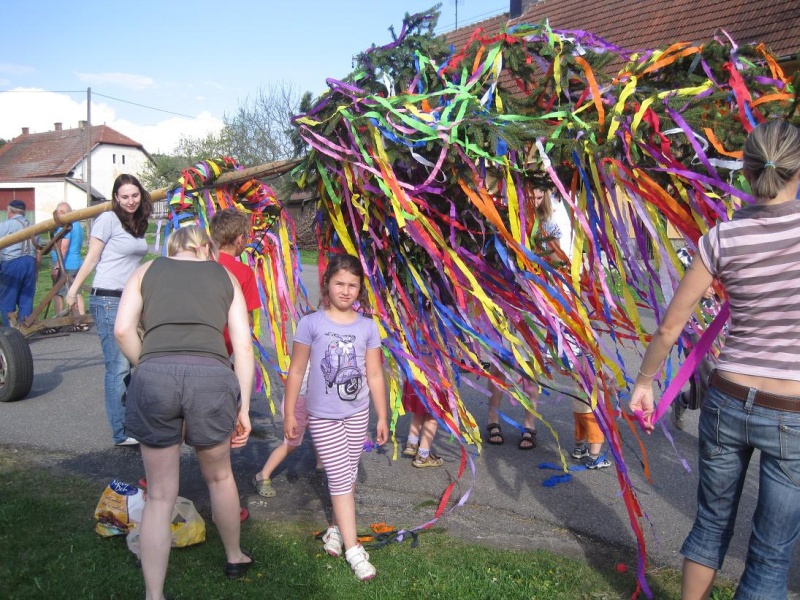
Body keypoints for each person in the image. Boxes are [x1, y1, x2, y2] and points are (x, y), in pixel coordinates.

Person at [629, 119, 800, 600]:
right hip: (791, 411)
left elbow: (669, 326)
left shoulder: (722, 238)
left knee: (710, 525)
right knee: (770, 553)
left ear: (746, 170)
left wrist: (644, 383)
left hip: (727, 399)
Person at [114, 225, 254, 596]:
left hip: (154, 377)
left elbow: (123, 330)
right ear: (205, 247)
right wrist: (243, 406)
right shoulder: (224, 275)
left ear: (172, 248)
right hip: (211, 377)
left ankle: (154, 594)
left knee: (160, 495)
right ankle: (235, 556)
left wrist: (147, 363)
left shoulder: (146, 270)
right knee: (220, 477)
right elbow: (243, 346)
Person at [283, 253, 389, 581]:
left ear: (360, 289)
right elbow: (297, 370)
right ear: (327, 283)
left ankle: (336, 528)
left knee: (348, 472)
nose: (345, 290)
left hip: (357, 414)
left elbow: (374, 374)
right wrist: (289, 412)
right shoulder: (311, 324)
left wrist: (382, 416)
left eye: (352, 285)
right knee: (341, 476)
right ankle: (354, 550)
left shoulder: (367, 327)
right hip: (322, 416)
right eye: (339, 283)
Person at [65, 174, 151, 446]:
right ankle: (121, 431)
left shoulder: (138, 222)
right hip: (108, 299)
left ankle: (132, 422)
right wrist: (73, 290)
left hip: (131, 299)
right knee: (119, 365)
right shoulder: (107, 219)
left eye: (134, 195)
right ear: (115, 197)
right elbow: (92, 257)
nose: (130, 201)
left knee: (138, 360)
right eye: (124, 197)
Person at [252, 366, 324, 496]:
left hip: (316, 401)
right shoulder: (308, 358)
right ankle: (262, 475)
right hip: (299, 403)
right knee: (291, 443)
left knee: (319, 432)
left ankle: (321, 465)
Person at [209, 209, 261, 353]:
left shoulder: (201, 262)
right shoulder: (245, 273)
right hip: (222, 350)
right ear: (240, 240)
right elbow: (247, 319)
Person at [0, 200, 39, 326]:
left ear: (9, 211)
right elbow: (38, 251)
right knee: (26, 299)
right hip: (30, 263)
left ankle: (10, 331)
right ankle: (25, 329)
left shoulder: (5, 226)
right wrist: (36, 270)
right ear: (24, 212)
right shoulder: (34, 227)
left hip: (12, 263)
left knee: (8, 299)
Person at [50, 202, 88, 329]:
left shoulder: (67, 226)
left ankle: (58, 323)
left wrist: (57, 266)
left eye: (59, 212)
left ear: (63, 213)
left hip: (66, 265)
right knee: (77, 292)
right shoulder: (77, 224)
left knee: (59, 293)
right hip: (76, 262)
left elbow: (64, 248)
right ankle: (82, 320)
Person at [401, 379, 444, 468]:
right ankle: (422, 456)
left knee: (418, 410)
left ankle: (411, 444)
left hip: (416, 379)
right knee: (432, 417)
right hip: (433, 382)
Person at [571, 397, 611, 469]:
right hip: (592, 409)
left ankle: (579, 449)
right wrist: (611, 390)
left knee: (580, 427)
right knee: (596, 432)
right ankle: (593, 459)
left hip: (578, 408)